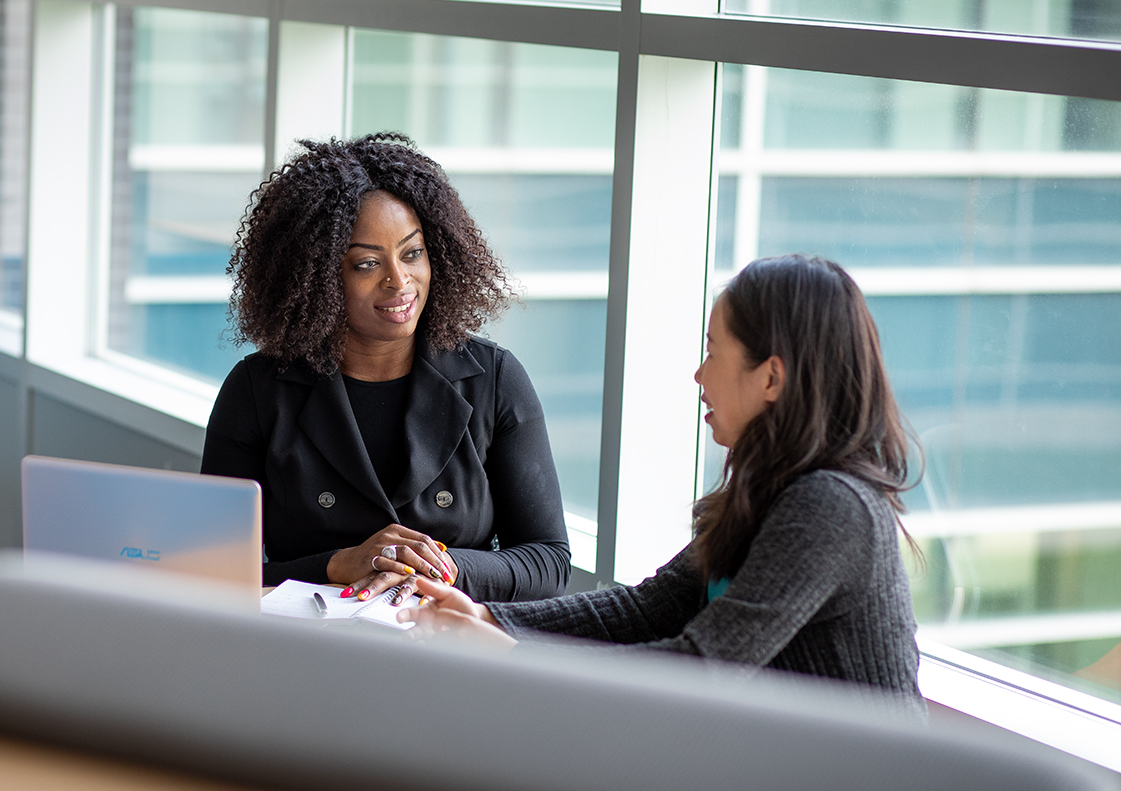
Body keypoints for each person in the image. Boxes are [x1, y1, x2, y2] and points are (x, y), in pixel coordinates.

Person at [402, 254, 926, 711]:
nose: (700, 375)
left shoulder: (830, 507)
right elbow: (648, 608)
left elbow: (703, 666)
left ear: (771, 378)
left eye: (714, 353)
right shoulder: (771, 490)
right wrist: (493, 619)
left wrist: (512, 653)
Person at [201, 133, 571, 605]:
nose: (399, 281)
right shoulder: (257, 391)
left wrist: (443, 567)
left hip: (448, 650)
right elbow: (213, 573)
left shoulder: (493, 378)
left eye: (412, 253)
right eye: (367, 263)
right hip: (308, 656)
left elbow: (549, 561)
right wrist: (337, 565)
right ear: (316, 277)